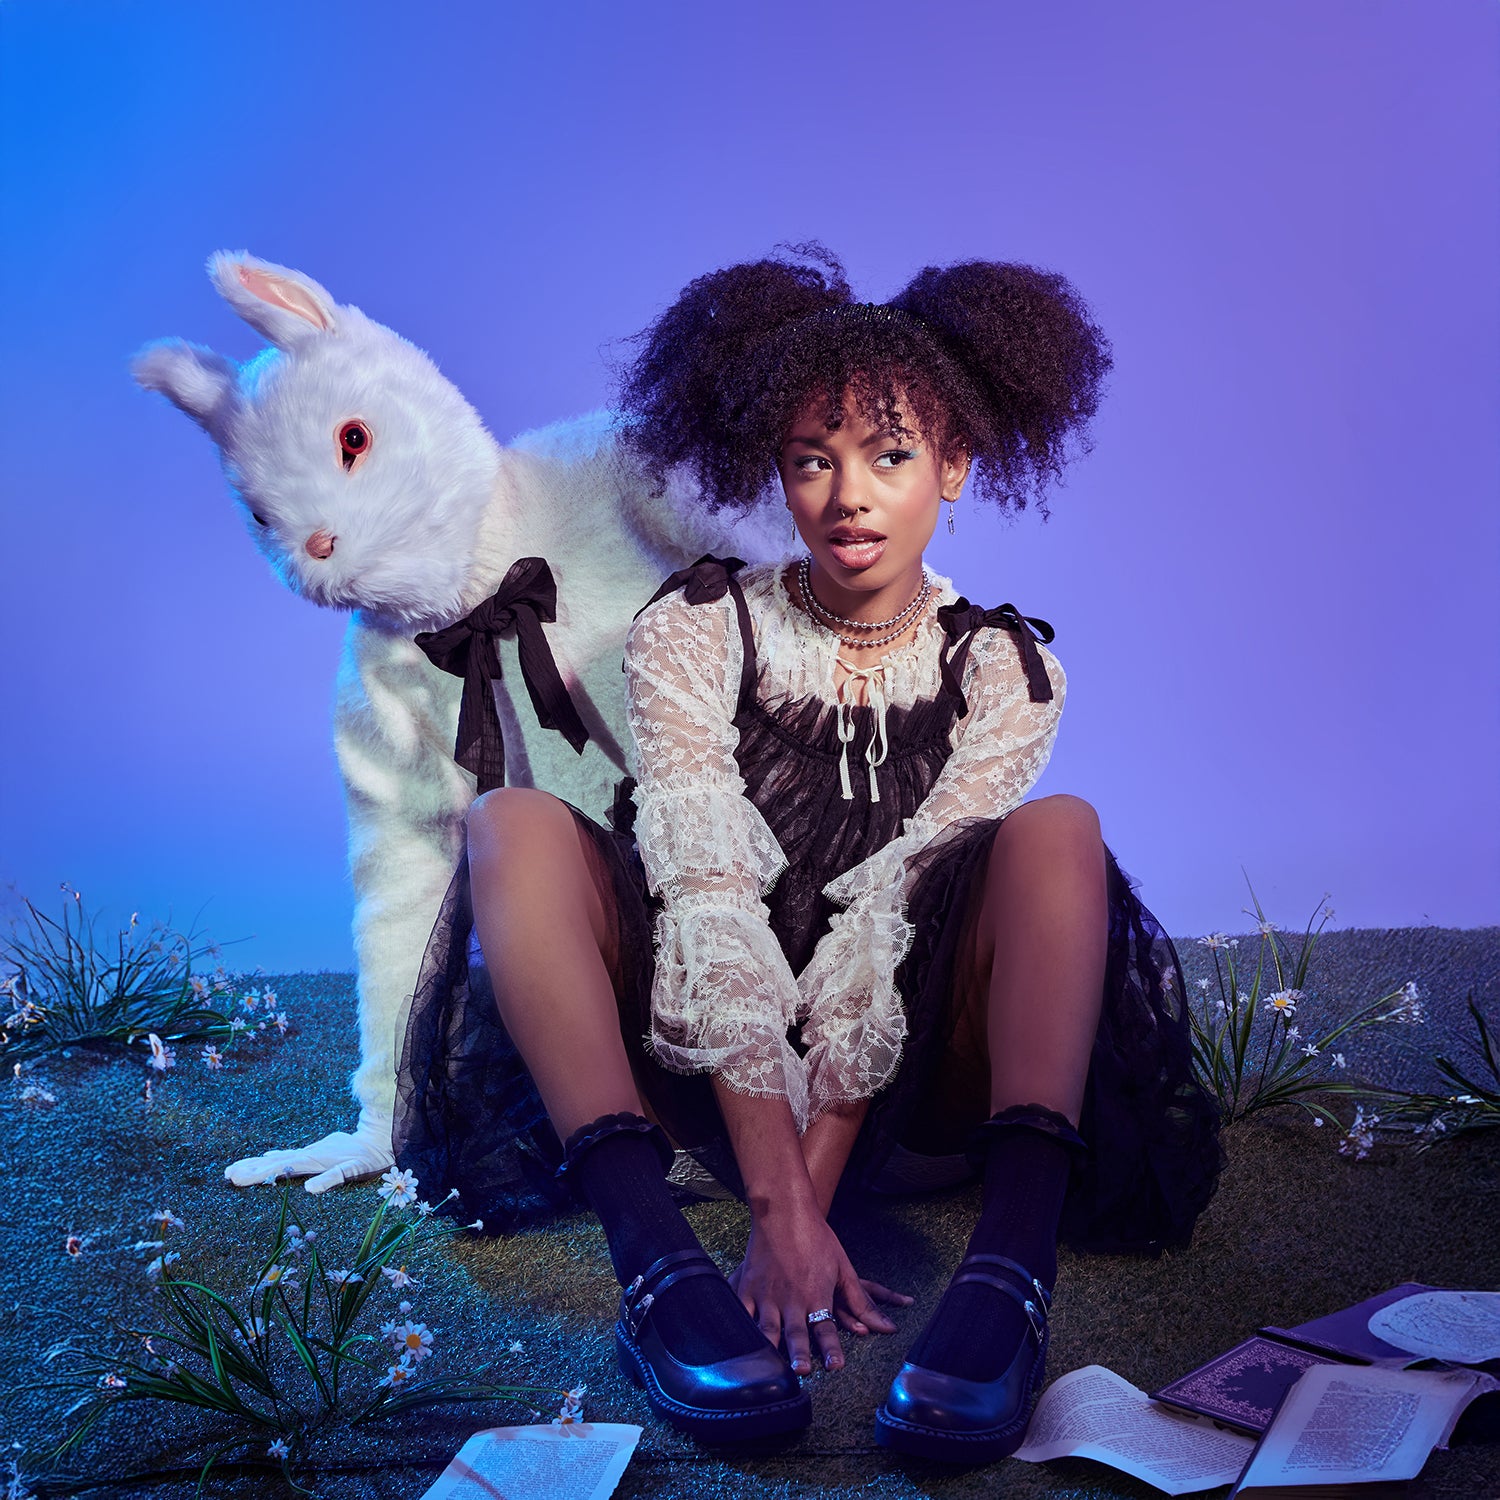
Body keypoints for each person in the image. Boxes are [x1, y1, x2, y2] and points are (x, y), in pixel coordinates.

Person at [393, 245, 1222, 1461]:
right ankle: (655, 1266)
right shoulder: (699, 626)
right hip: (703, 1068)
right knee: (510, 822)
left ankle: (1009, 1274)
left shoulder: (1006, 667)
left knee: (1061, 833)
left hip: (919, 1082)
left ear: (955, 466)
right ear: (776, 471)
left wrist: (806, 1205)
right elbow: (706, 891)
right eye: (811, 459)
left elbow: (889, 925)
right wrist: (772, 1205)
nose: (849, 496)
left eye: (891, 456)